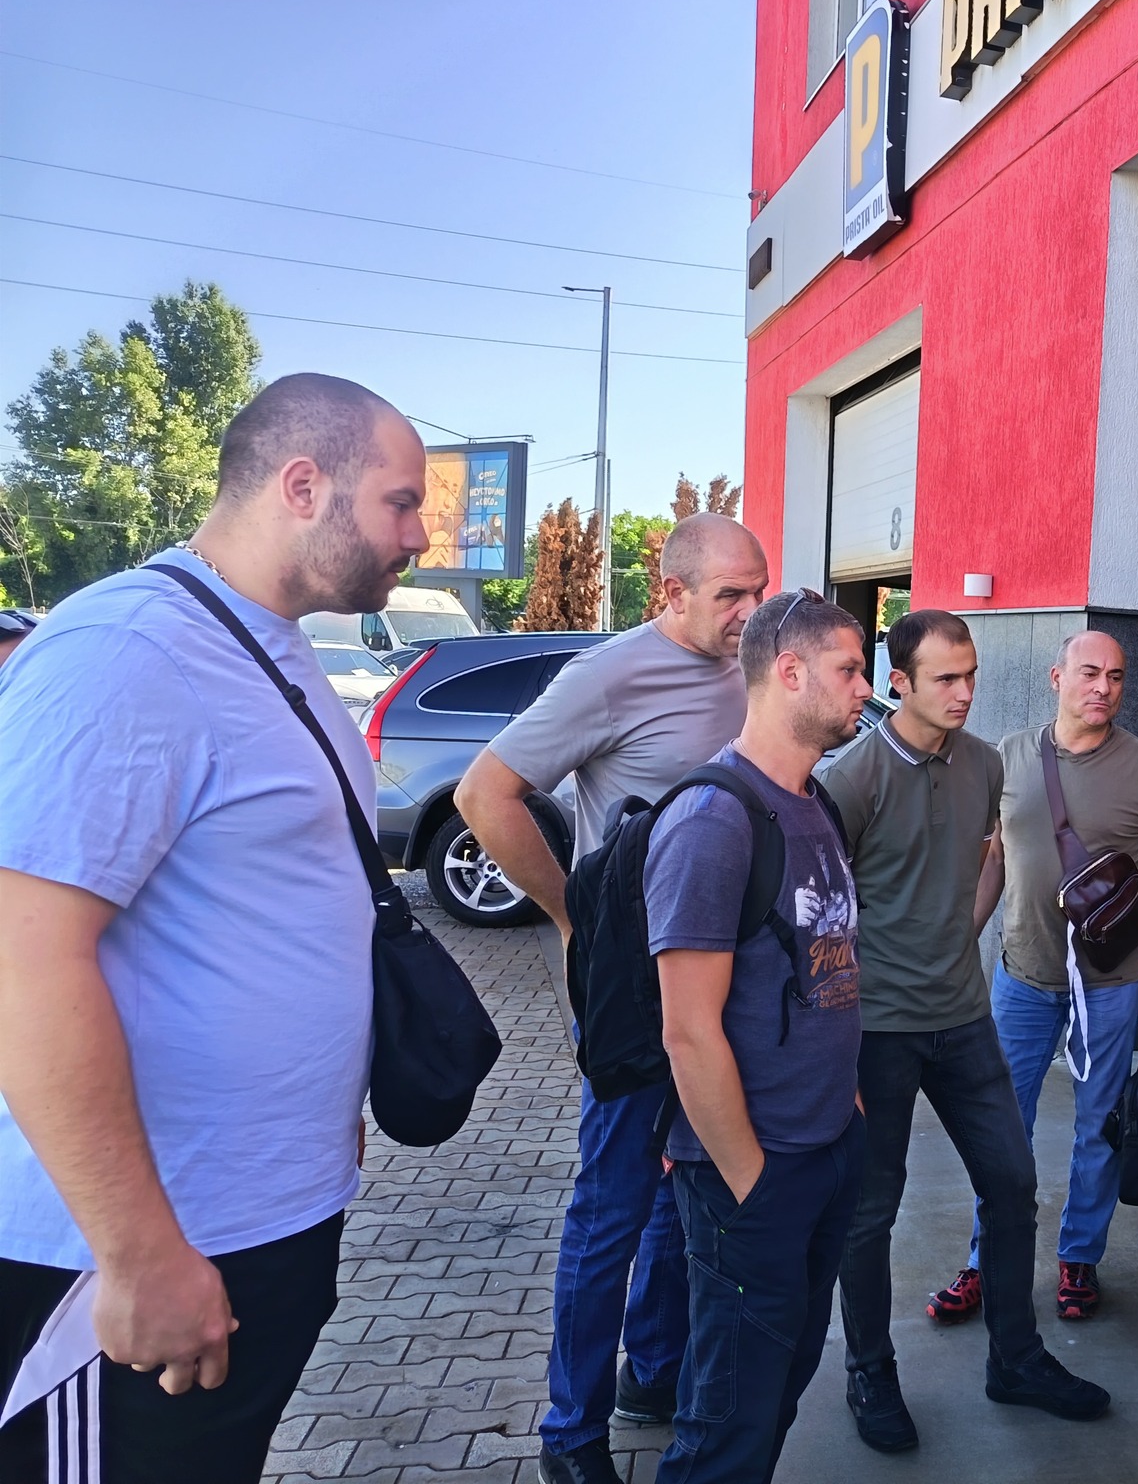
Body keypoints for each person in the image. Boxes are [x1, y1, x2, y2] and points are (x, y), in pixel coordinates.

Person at [0, 374, 429, 1482]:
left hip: (259, 1224)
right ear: (303, 485)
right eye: (400, 502)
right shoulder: (127, 649)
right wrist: (138, 1253)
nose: (421, 536)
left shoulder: (267, 644)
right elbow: (24, 955)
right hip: (131, 1259)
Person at [456, 513, 768, 1484]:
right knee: (614, 1207)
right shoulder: (610, 675)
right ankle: (570, 1434)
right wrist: (570, 916)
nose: (750, 611)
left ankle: (654, 1371)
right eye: (730, 595)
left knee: (687, 1184)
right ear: (670, 593)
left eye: (759, 591)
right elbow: (483, 795)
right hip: (635, 990)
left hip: (723, 982)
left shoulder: (751, 666)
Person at [822, 611, 1110, 1453]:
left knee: (1012, 1185)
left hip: (963, 1017)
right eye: (945, 678)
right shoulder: (851, 778)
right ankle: (870, 1372)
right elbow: (816, 915)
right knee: (870, 1211)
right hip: (876, 1031)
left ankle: (1015, 1361)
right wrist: (829, 1041)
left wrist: (959, 936)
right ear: (898, 682)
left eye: (971, 674)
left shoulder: (985, 764)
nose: (964, 692)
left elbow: (986, 855)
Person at [649, 588, 873, 1483]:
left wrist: (846, 1113)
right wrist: (752, 1180)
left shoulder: (815, 803)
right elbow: (687, 1031)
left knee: (778, 1389)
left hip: (824, 1148)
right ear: (790, 673)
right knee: (727, 1424)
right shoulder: (712, 822)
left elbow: (824, 969)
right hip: (753, 1173)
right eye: (850, 669)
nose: (866, 688)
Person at [949, 629, 1138, 1323]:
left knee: (1098, 1126)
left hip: (1112, 980)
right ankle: (985, 1260)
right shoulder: (1010, 756)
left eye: (1116, 676)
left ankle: (1079, 1258)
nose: (1103, 687)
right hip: (1022, 975)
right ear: (1057, 677)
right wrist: (959, 944)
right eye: (1089, 672)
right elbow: (994, 859)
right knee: (1001, 1127)